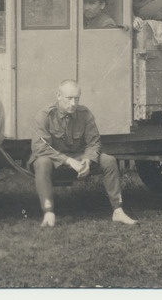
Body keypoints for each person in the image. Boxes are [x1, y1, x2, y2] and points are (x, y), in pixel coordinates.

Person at [29, 79, 138, 227]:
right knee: (41, 162)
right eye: (69, 98)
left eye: (77, 98)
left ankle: (118, 210)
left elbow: (94, 142)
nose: (73, 103)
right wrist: (68, 161)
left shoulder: (85, 114)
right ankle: (48, 212)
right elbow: (40, 147)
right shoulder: (45, 115)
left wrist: (87, 160)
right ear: (58, 96)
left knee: (108, 160)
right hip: (55, 162)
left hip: (79, 159)